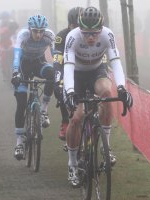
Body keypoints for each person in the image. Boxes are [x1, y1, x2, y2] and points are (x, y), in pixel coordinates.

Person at [63, 7, 133, 187]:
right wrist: (70, 91)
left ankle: (106, 148)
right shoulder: (72, 37)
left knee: (107, 93)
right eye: (86, 33)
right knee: (76, 118)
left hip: (96, 71)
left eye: (95, 33)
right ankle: (72, 164)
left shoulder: (107, 35)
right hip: (76, 76)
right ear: (80, 28)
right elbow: (68, 67)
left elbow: (115, 62)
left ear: (101, 29)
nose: (91, 37)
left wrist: (122, 88)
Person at [11, 14, 55, 160]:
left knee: (52, 74)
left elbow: (56, 57)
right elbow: (16, 55)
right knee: (22, 104)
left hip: (38, 63)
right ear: (29, 29)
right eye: (35, 31)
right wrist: (15, 72)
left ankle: (43, 110)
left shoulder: (49, 36)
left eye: (41, 31)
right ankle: (19, 143)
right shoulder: (23, 35)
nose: (38, 34)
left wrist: (61, 73)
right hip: (23, 66)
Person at [53, 7, 83, 141]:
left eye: (80, 25)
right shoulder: (61, 36)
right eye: (74, 25)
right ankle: (65, 121)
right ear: (69, 24)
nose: (77, 29)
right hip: (67, 68)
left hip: (85, 69)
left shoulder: (89, 34)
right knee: (60, 87)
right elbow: (58, 61)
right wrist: (58, 80)